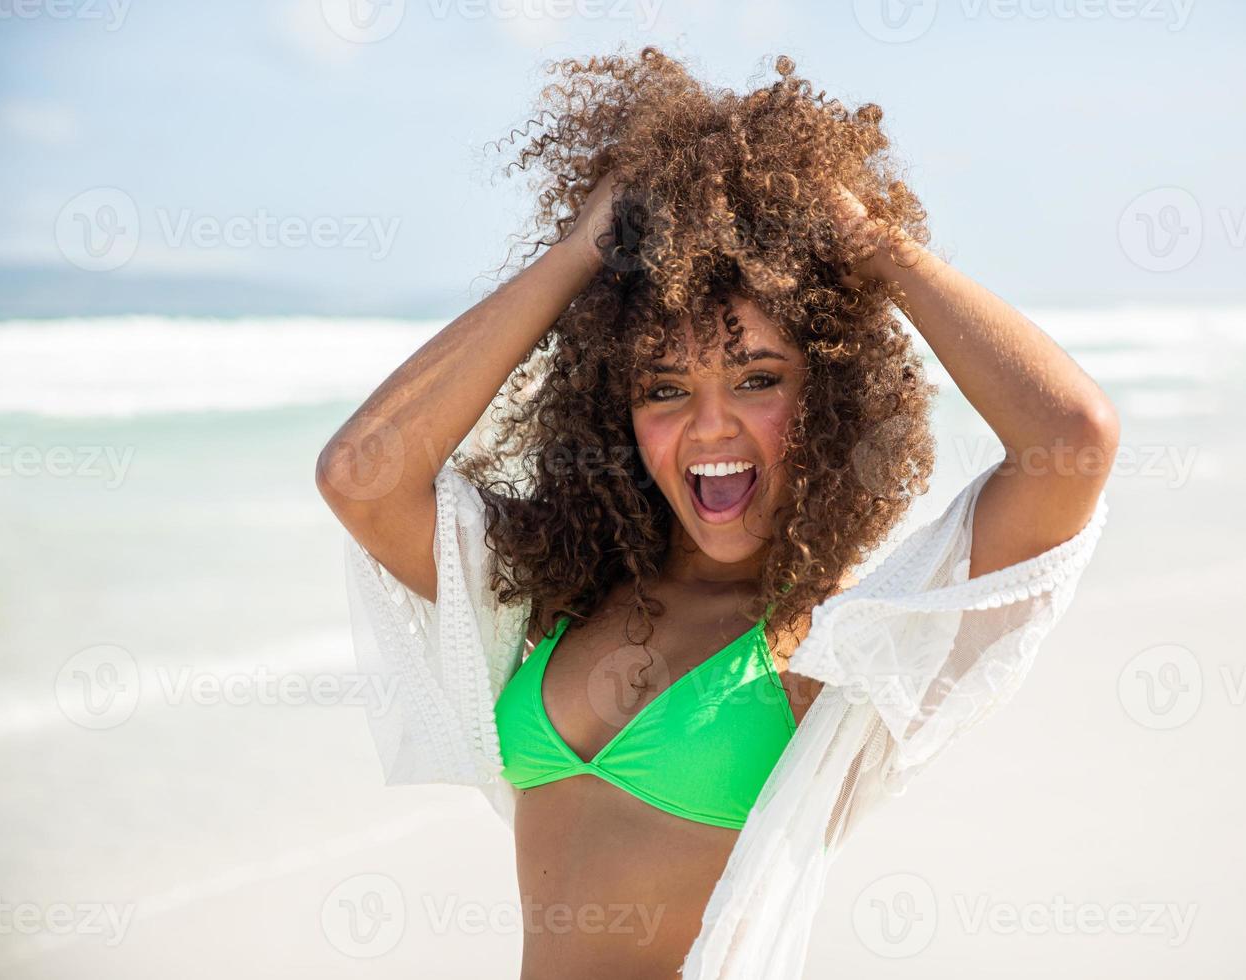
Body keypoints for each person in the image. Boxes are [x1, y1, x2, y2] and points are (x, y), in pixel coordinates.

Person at [316, 47, 1115, 980]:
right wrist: (581, 252)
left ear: (831, 398)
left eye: (758, 379)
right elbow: (361, 476)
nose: (708, 427)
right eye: (663, 387)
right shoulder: (559, 595)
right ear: (615, 408)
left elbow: (1074, 439)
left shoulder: (831, 646)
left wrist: (873, 244)